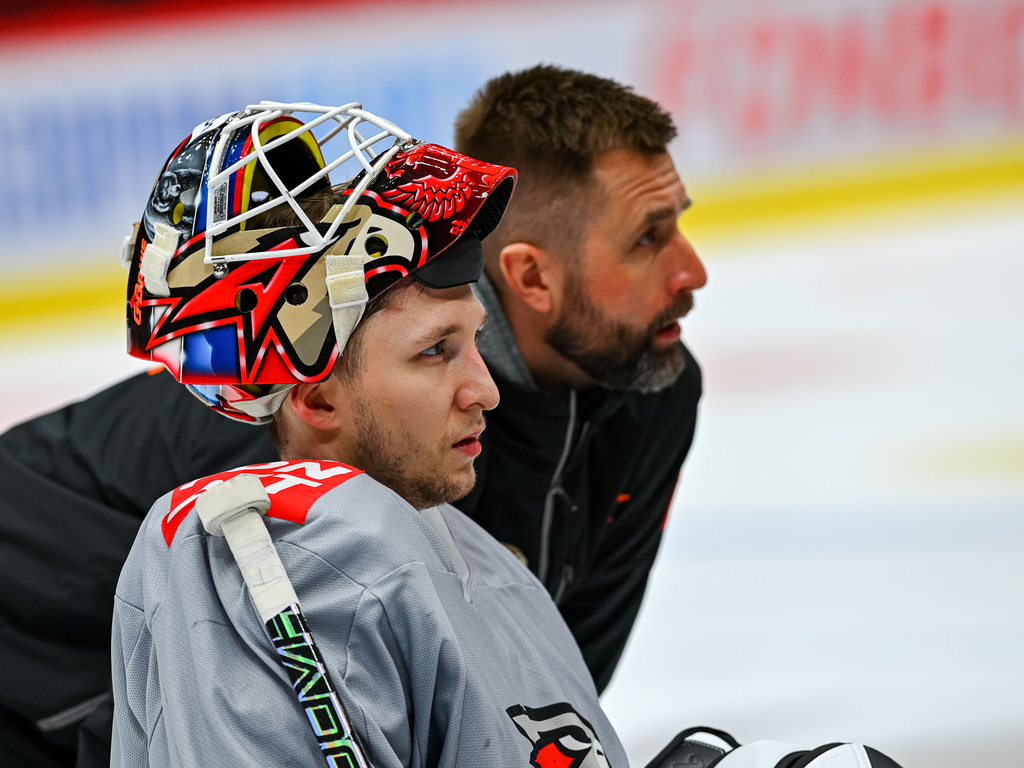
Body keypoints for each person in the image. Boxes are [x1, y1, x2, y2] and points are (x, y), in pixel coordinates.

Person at [111, 101, 904, 768]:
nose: (484, 389)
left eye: (472, 340)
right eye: (434, 353)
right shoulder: (272, 556)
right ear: (315, 398)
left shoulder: (474, 557)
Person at [0, 66, 703, 767]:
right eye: (646, 237)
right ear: (530, 276)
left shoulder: (642, 395)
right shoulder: (279, 453)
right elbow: (197, 724)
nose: (692, 271)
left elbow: (541, 682)